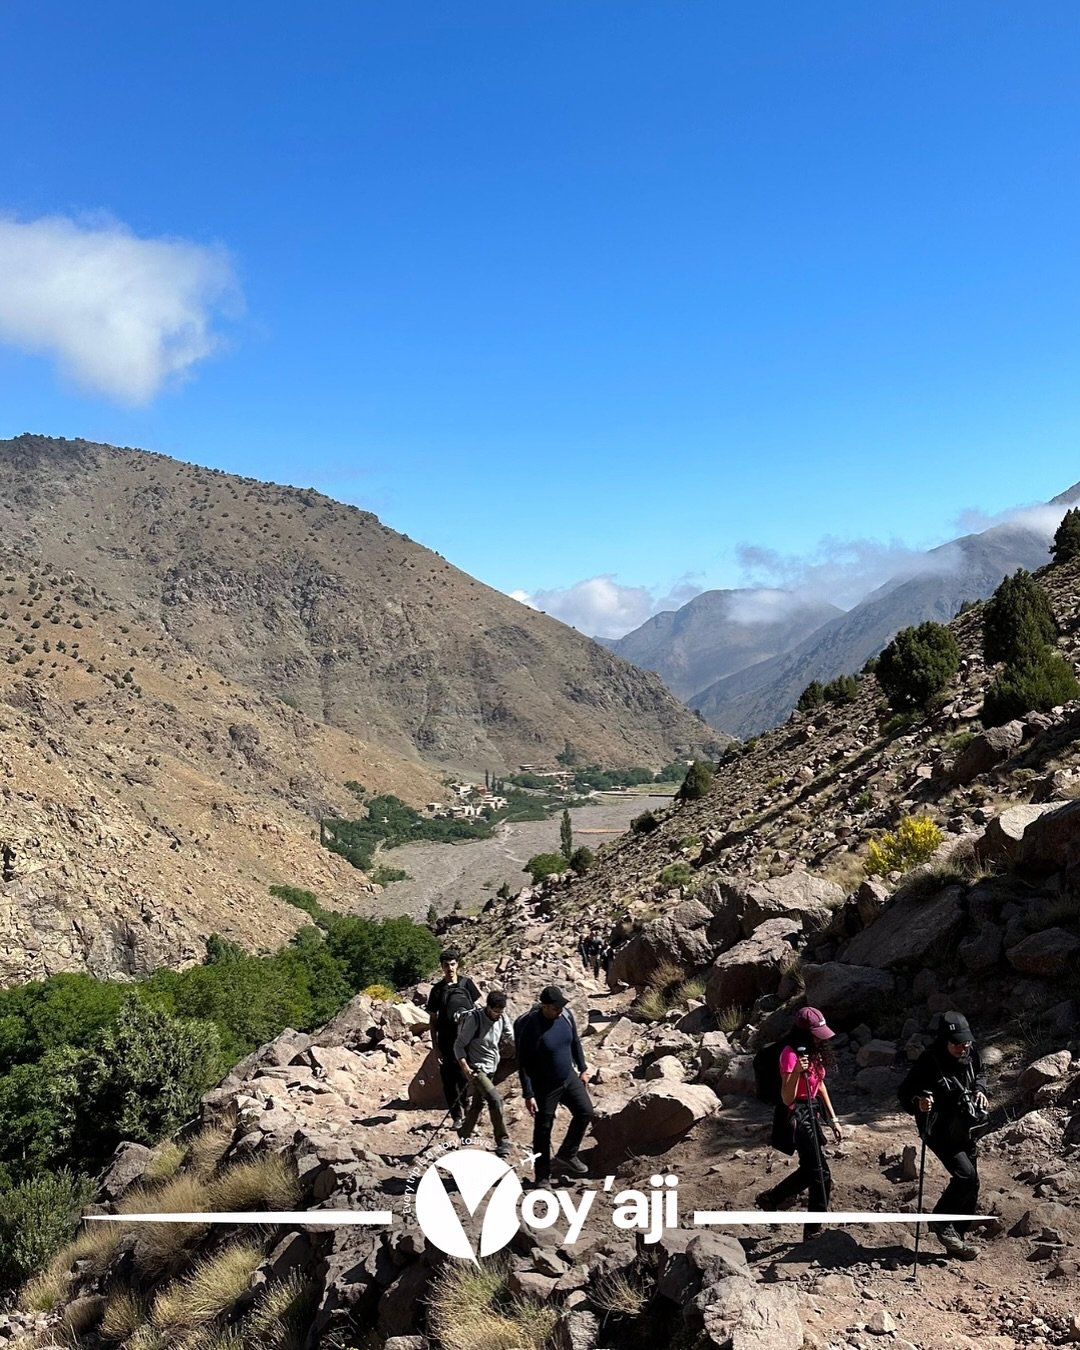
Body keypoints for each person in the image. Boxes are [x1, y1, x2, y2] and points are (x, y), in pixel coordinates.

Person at [898, 1010, 989, 1261]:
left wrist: (980, 1089)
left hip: (966, 1126)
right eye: (957, 1043)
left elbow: (981, 1073)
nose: (963, 1048)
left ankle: (956, 1240)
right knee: (965, 1175)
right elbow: (905, 1093)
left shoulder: (970, 1055)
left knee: (973, 1184)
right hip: (938, 1130)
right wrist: (919, 1103)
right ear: (944, 1041)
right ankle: (941, 1220)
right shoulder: (929, 1062)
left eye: (966, 1042)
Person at [756, 1006, 843, 1239]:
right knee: (820, 1174)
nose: (820, 1037)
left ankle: (770, 1199)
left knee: (809, 1171)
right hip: (796, 1115)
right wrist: (796, 1072)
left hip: (813, 1111)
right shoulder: (790, 1054)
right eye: (816, 1032)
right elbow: (786, 1098)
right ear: (804, 1032)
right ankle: (813, 1231)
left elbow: (820, 1085)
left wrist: (833, 1118)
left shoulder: (813, 1052)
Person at [516, 985, 593, 1184]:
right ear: (544, 1006)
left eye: (561, 1007)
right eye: (555, 1008)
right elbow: (523, 1062)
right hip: (544, 1085)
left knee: (585, 1111)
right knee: (543, 1129)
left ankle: (567, 1153)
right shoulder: (532, 1027)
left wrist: (583, 1068)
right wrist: (528, 1093)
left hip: (568, 1077)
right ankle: (542, 1177)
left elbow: (575, 1042)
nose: (559, 1011)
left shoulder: (566, 1015)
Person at [454, 990, 515, 1158]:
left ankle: (464, 1133)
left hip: (492, 1068)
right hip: (476, 1069)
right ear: (488, 1007)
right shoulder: (475, 1019)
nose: (498, 1015)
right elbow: (458, 1046)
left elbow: (511, 1037)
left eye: (501, 1011)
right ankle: (502, 1141)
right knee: (495, 1100)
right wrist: (466, 1069)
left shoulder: (502, 1017)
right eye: (496, 1011)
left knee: (478, 1104)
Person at [426, 949, 481, 1127]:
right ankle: (456, 1116)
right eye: (446, 965)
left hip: (467, 1040)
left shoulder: (467, 984)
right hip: (446, 1040)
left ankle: (466, 1105)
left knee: (464, 1075)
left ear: (457, 964)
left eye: (452, 964)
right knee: (448, 1080)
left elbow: (478, 1009)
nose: (450, 968)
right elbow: (433, 1020)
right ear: (441, 967)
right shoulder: (437, 990)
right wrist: (435, 1047)